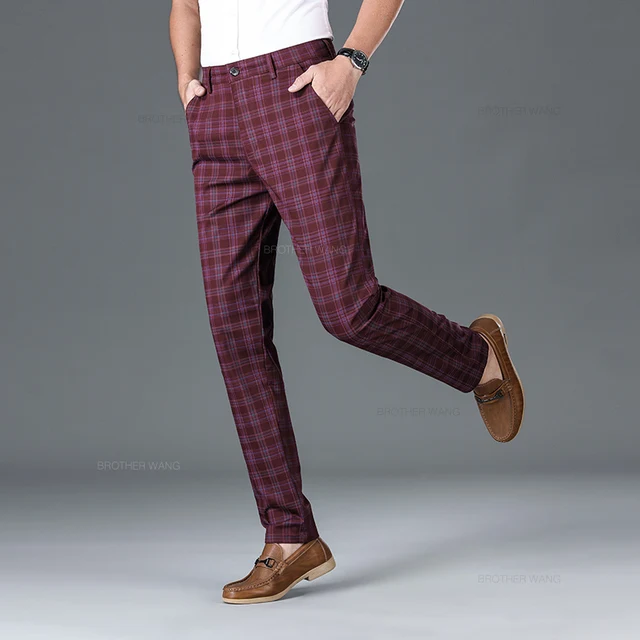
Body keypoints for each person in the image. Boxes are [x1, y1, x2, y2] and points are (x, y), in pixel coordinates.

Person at [169, 0, 525, 605]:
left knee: (348, 307)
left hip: (295, 88)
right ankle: (289, 536)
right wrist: (187, 80)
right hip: (216, 111)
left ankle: (477, 358)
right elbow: (184, 6)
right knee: (233, 328)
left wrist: (351, 61)